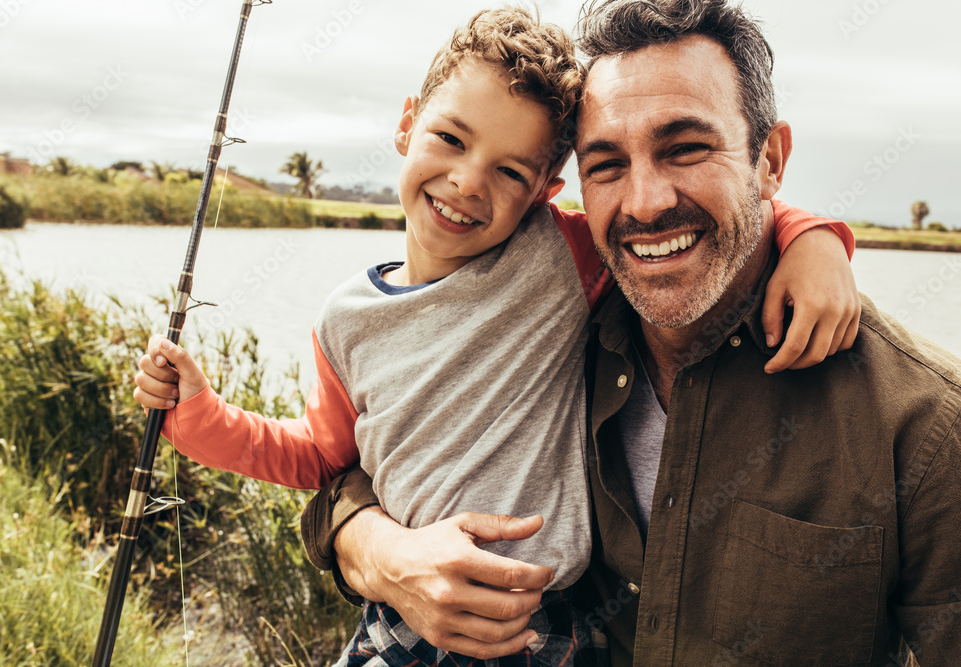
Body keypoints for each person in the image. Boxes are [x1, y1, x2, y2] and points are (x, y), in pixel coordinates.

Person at [133, 6, 859, 665]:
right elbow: (319, 457)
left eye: (509, 170)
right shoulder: (344, 321)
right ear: (407, 122)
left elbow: (691, 218)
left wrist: (814, 241)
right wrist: (197, 417)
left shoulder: (563, 256)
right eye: (450, 138)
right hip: (402, 622)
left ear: (546, 189)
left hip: (549, 630)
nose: (467, 182)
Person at [299, 0, 961, 665]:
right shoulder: (560, 332)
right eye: (607, 163)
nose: (644, 203)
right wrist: (382, 552)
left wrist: (813, 235)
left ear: (770, 160)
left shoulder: (924, 426)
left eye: (687, 148)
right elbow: (354, 467)